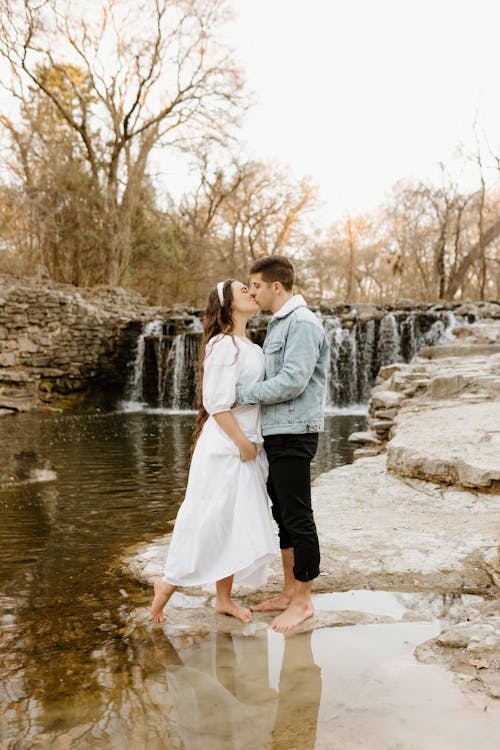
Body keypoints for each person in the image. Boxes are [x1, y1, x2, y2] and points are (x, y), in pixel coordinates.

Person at [151, 280, 278, 624]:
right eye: (243, 291)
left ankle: (224, 599)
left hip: (246, 446)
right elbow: (217, 403)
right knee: (209, 520)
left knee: (233, 524)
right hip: (227, 446)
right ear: (227, 305)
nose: (252, 293)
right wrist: (243, 444)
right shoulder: (224, 345)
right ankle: (168, 582)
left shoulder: (249, 344)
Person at [235, 256, 329, 632]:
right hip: (277, 430)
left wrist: (240, 394)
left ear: (277, 286)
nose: (252, 292)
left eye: (255, 285)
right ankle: (290, 592)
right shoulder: (279, 324)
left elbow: (293, 381)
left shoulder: (303, 323)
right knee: (284, 517)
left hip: (295, 431)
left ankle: (304, 601)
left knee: (299, 516)